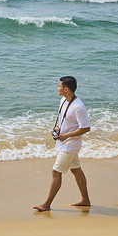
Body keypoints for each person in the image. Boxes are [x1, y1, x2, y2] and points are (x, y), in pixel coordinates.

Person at [34, 76, 91, 212]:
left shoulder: (79, 107)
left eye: (59, 86)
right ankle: (85, 199)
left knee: (56, 172)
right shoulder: (63, 100)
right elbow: (62, 118)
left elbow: (85, 127)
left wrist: (66, 135)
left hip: (70, 145)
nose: (58, 88)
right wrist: (58, 128)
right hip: (65, 143)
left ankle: (47, 204)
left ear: (66, 89)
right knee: (76, 170)